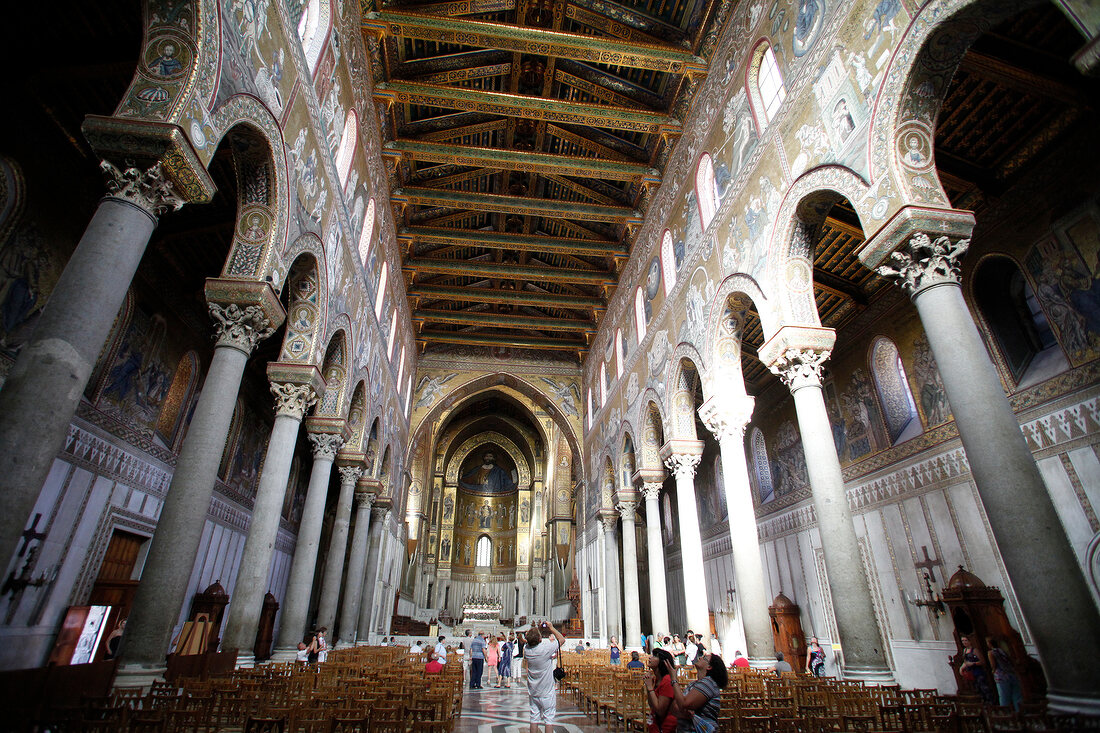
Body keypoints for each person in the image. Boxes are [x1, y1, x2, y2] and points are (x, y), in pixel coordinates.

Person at [669, 651, 727, 733]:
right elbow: (673, 707)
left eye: (704, 658)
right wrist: (683, 712)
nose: (700, 658)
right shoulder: (693, 684)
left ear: (709, 667)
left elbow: (684, 703)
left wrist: (674, 680)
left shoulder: (708, 683)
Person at [525, 621, 566, 733]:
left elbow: (532, 640)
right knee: (548, 719)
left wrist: (538, 629)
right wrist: (551, 628)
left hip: (533, 690)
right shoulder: (545, 649)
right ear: (540, 639)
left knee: (534, 718)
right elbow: (562, 639)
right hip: (547, 691)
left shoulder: (527, 650)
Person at [643, 648, 679, 733]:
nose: (650, 658)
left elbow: (660, 710)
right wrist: (649, 688)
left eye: (655, 656)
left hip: (666, 727)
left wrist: (650, 688)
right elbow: (652, 704)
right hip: (656, 725)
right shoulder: (657, 679)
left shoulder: (667, 681)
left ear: (662, 662)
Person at [986, 636, 1022, 711]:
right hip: (1011, 674)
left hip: (1001, 676)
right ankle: (1019, 713)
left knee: (1004, 697)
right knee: (1017, 696)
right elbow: (1010, 661)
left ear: (989, 644)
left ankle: (1006, 715)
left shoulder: (991, 653)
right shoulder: (1002, 650)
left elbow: (993, 665)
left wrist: (992, 671)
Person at [959, 635, 995, 704]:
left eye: (965, 640)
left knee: (985, 689)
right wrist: (961, 668)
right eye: (962, 641)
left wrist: (973, 663)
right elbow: (965, 661)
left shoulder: (975, 650)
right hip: (971, 674)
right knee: (978, 690)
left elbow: (982, 661)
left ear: (969, 641)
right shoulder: (965, 650)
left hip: (978, 672)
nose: (964, 642)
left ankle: (991, 704)